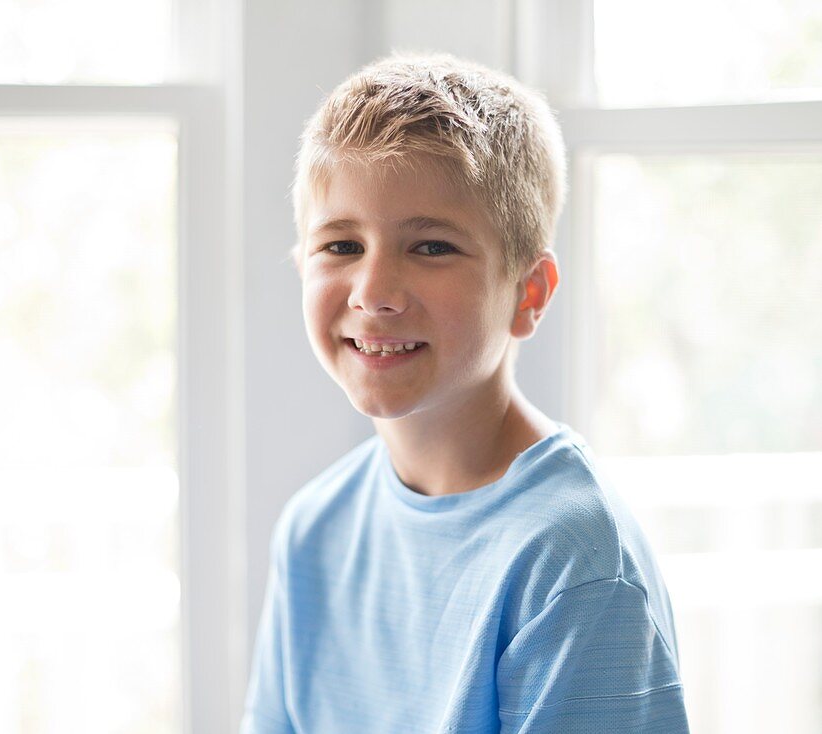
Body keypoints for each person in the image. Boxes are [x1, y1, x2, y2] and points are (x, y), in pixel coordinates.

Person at [241, 52, 690, 733]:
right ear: (303, 263)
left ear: (529, 294)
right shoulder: (314, 529)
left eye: (431, 248)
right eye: (341, 246)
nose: (374, 293)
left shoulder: (574, 565)